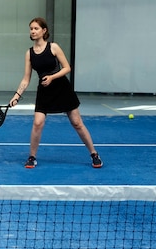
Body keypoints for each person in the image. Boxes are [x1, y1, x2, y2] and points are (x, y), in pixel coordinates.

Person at [9, 17, 102, 169]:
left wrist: (52, 77)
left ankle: (94, 154)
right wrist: (16, 96)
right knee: (37, 123)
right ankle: (32, 157)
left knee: (77, 123)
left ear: (44, 30)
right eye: (31, 28)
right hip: (44, 91)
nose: (33, 31)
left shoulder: (54, 47)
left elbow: (67, 68)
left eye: (36, 28)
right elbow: (26, 79)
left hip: (61, 88)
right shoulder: (29, 53)